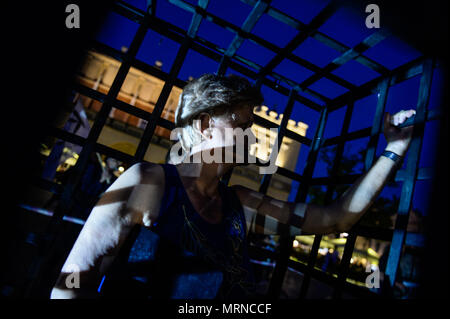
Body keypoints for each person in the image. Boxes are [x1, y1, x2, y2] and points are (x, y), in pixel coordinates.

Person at [50, 74, 416, 299]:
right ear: (206, 124)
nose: (251, 135)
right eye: (241, 122)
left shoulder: (242, 205)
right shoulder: (148, 181)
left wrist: (393, 150)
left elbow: (335, 219)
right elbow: (75, 276)